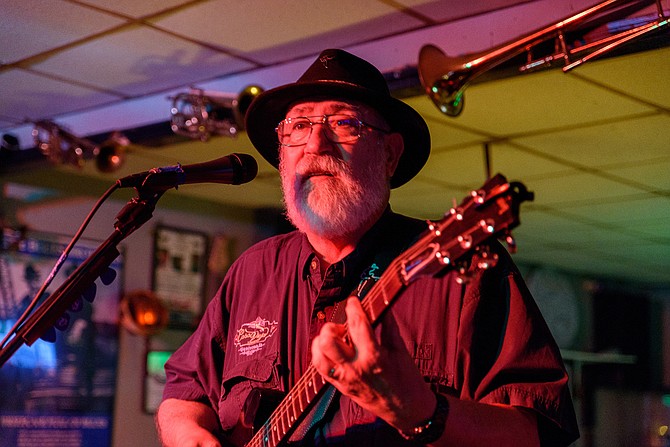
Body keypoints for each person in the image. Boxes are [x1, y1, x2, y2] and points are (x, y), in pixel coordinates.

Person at [156, 49, 579, 447]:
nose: (315, 145)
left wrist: (423, 412)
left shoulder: (462, 270)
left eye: (344, 124)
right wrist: (187, 430)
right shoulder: (254, 269)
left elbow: (534, 433)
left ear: (390, 155)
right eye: (298, 126)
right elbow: (182, 391)